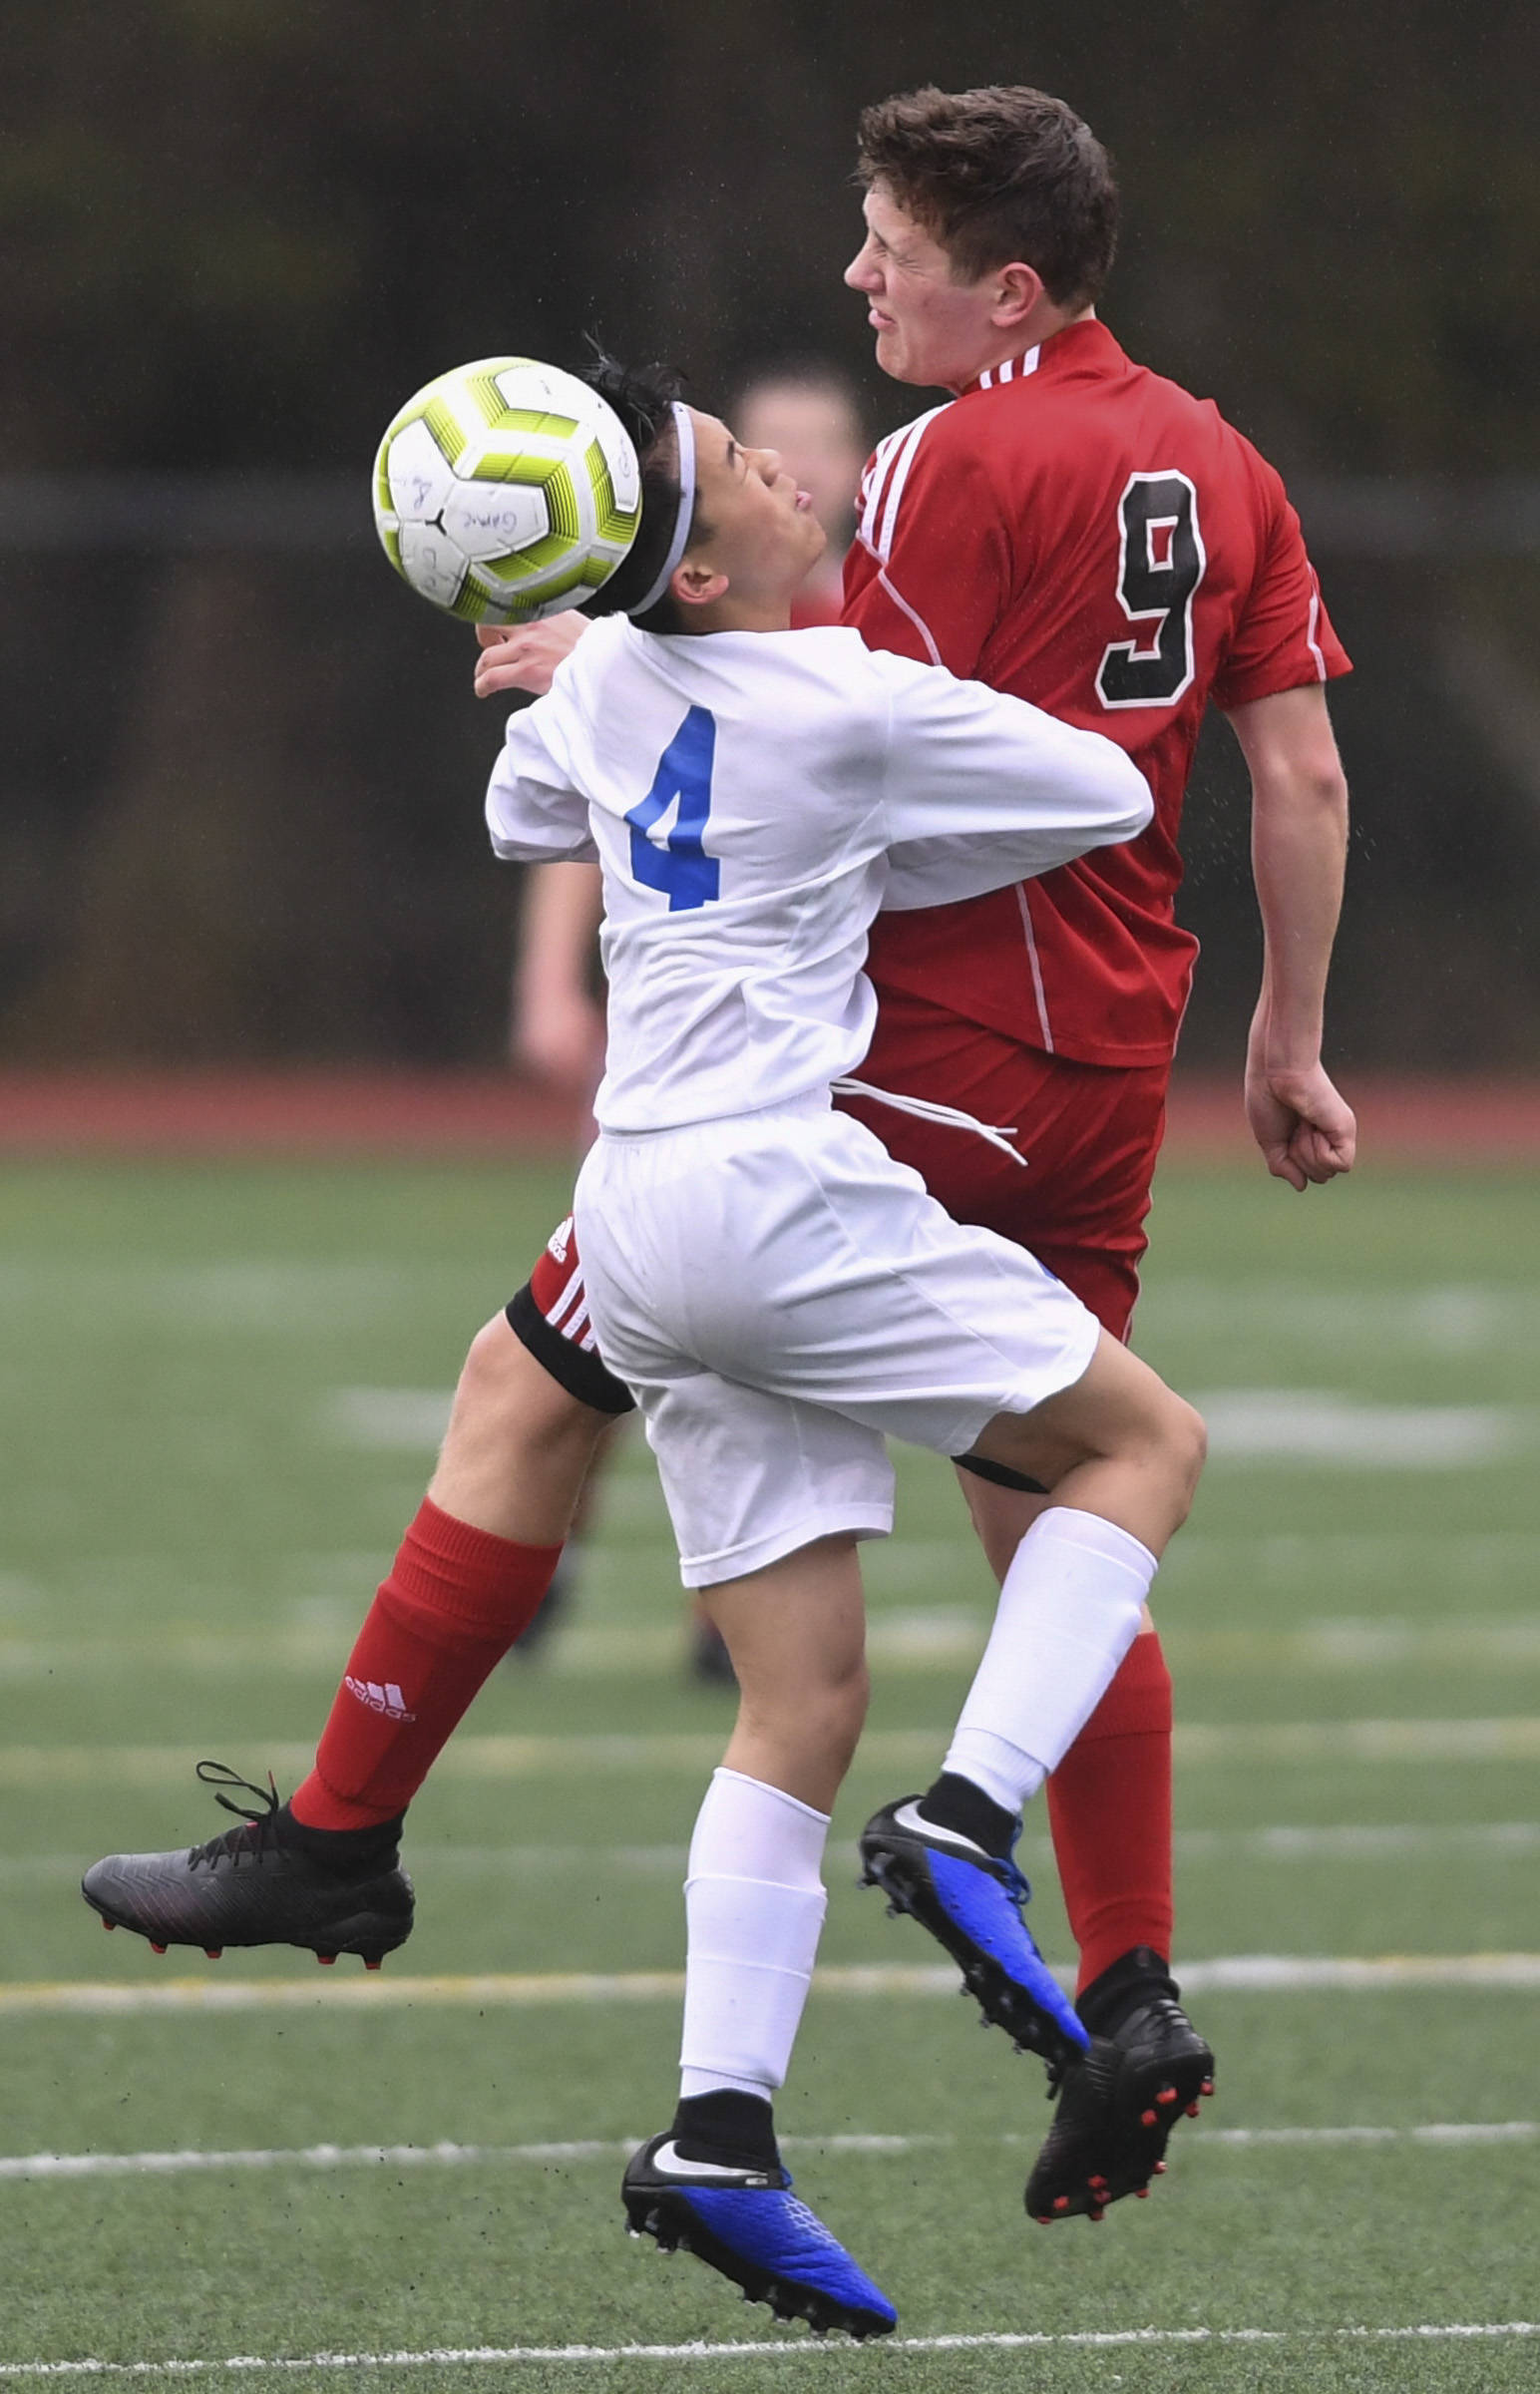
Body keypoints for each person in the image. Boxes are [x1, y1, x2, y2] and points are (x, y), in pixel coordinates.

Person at [84, 79, 1350, 2225]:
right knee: (1050, 1506)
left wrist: (624, 659)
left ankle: (343, 1832)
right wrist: (1290, 1034)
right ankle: (1120, 1985)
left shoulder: (942, 466)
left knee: (539, 1379)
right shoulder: (1227, 461)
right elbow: (1296, 779)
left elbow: (824, 697)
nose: (857, 281)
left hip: (900, 1059)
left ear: (1006, 283)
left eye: (888, 247)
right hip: (1110, 1054)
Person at [481, 361, 1195, 2330]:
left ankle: (720, 2130)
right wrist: (887, 815)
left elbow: (517, 799)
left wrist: (577, 670)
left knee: (792, 1702)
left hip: (630, 1221)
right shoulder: (855, 698)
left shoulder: (619, 682)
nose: (791, 468)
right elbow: (1110, 792)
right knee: (1145, 1453)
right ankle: (970, 1818)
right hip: (778, 1198)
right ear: (700, 572)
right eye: (744, 471)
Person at [507, 360, 871, 1680]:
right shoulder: (670, 631)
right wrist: (551, 987)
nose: (799, 466)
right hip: (688, 1070)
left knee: (765, 1322)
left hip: (824, 1050)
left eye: (827, 444)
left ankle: (737, 1612)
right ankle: (540, 1568)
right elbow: (573, 822)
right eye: (765, 448)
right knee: (588, 1338)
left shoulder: (869, 632)